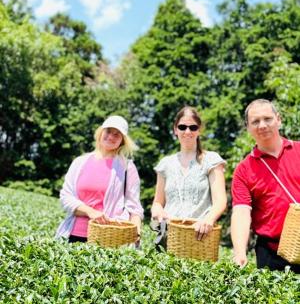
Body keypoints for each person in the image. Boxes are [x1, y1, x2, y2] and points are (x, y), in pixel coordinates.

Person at [231, 99, 300, 272]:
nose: (262, 125)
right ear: (247, 127)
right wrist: (239, 252)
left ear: (279, 119)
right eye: (255, 121)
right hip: (271, 254)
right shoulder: (243, 170)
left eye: (267, 119)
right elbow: (241, 212)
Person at [56, 115, 143, 243]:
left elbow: (134, 207)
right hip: (73, 234)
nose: (111, 137)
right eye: (108, 131)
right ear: (101, 132)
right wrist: (91, 212)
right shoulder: (79, 162)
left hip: (108, 237)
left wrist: (136, 231)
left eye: (117, 134)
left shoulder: (127, 167)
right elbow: (65, 197)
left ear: (122, 141)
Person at [151, 106, 227, 245]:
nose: (187, 131)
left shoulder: (211, 160)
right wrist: (158, 213)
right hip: (169, 237)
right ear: (175, 129)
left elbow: (220, 201)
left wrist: (208, 220)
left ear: (199, 130)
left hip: (200, 238)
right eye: (182, 127)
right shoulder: (165, 164)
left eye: (193, 127)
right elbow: (157, 202)